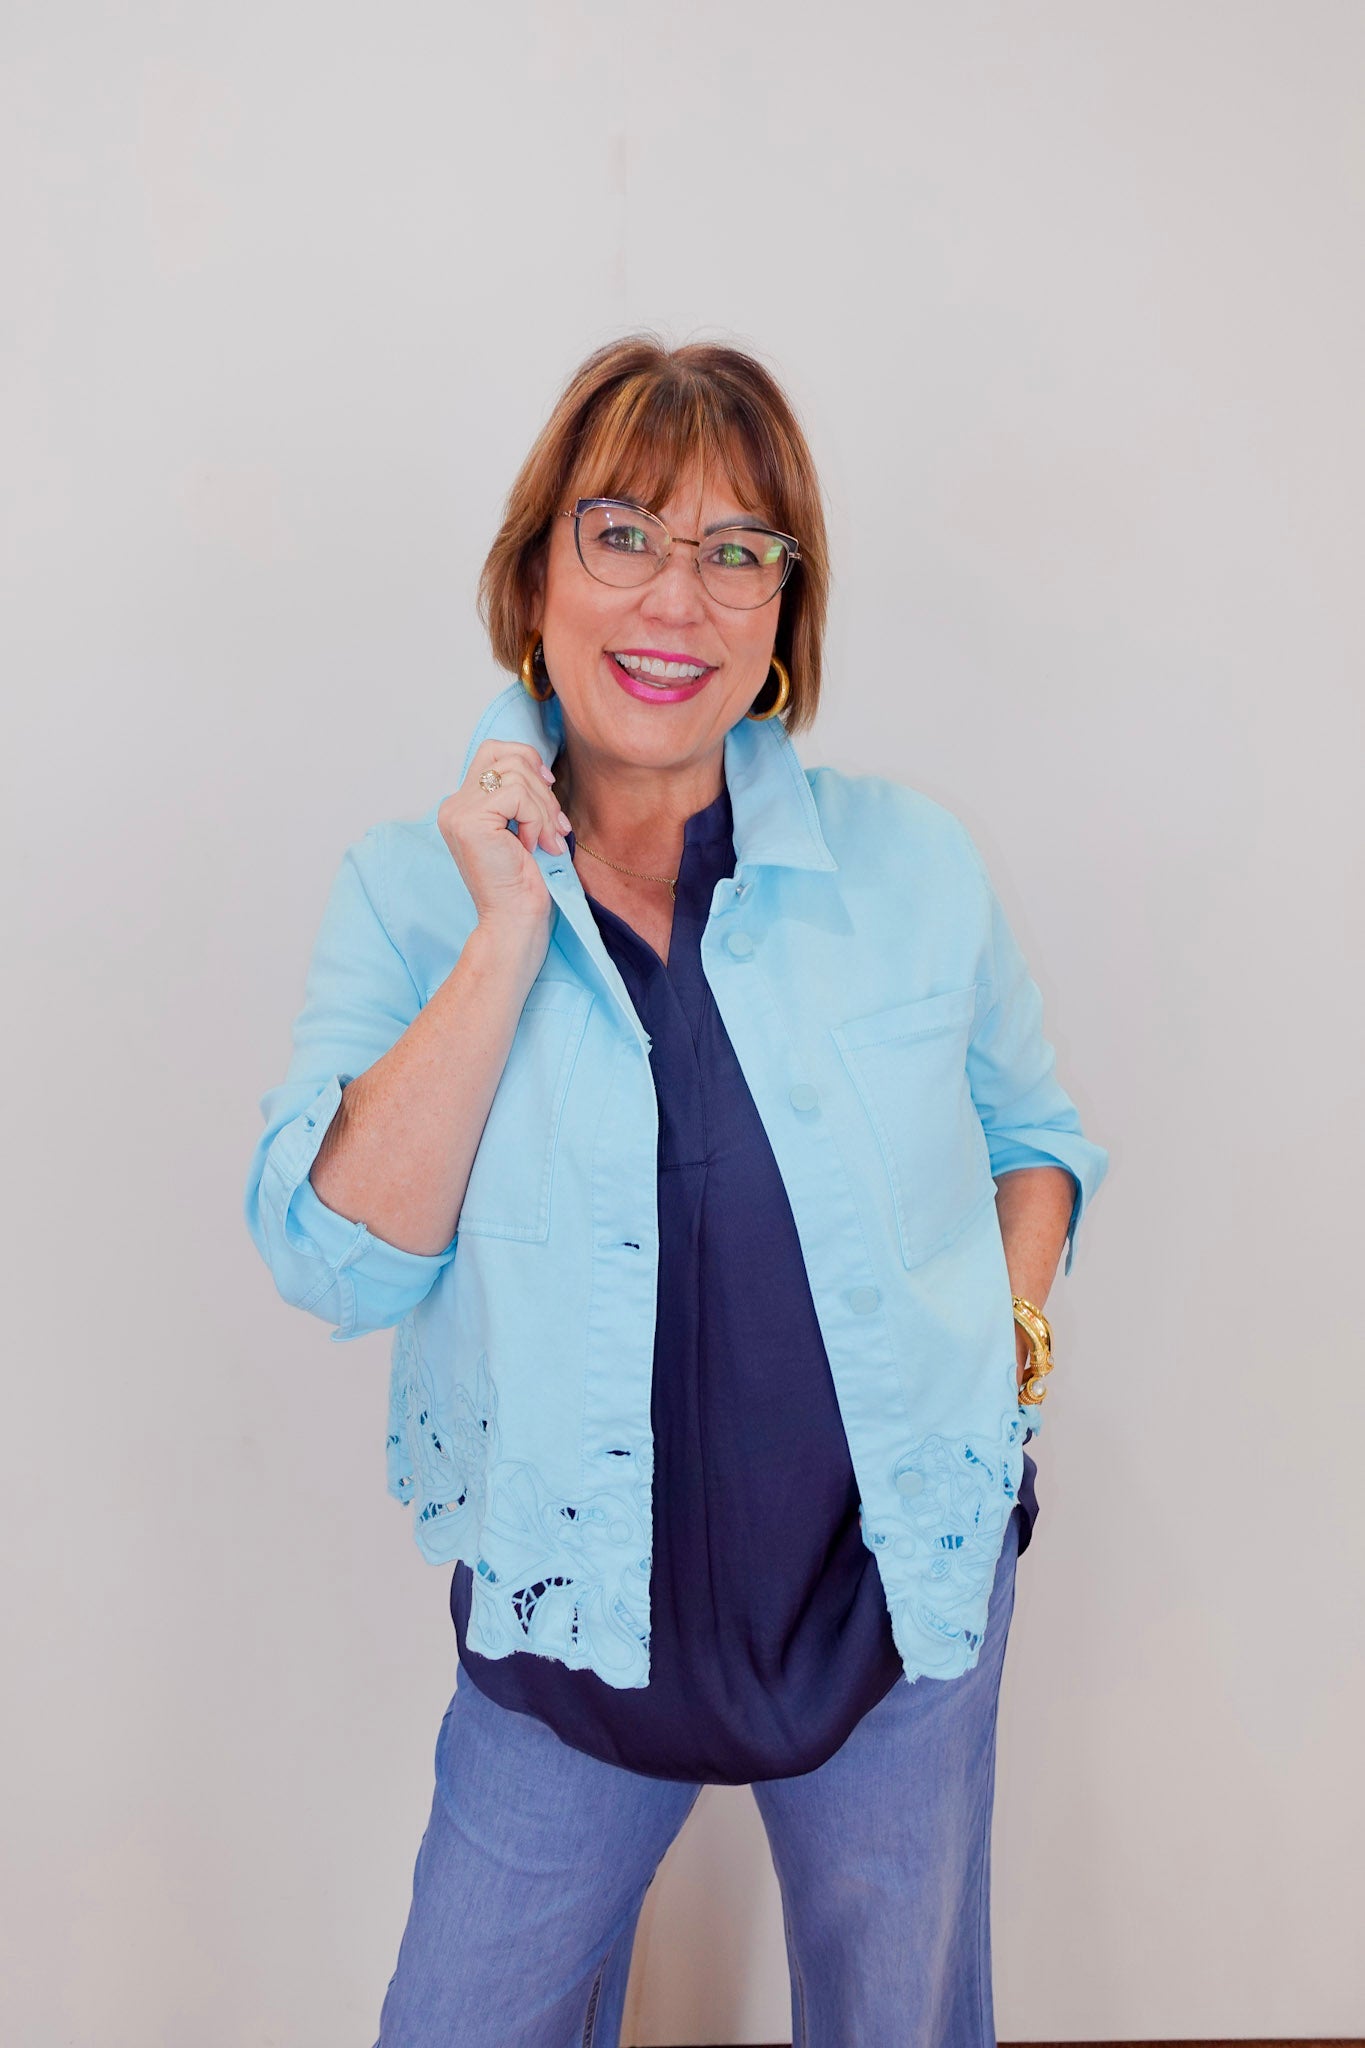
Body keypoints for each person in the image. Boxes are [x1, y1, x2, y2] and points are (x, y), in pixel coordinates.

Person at [244, 333, 1110, 2047]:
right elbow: (336, 1261)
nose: (677, 600)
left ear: (783, 615)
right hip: (571, 1637)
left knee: (899, 2022)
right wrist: (508, 930)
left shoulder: (911, 864)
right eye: (623, 531)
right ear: (533, 574)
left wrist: (998, 1359)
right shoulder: (410, 896)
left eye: (739, 552)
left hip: (888, 1600)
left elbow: (1036, 1135)